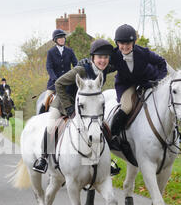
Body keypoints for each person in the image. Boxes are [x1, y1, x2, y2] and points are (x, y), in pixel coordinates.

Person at [32, 39, 114, 173]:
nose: (103, 61)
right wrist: (69, 107)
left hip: (84, 107)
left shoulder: (104, 69)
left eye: (105, 58)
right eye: (99, 57)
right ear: (92, 58)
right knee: (52, 126)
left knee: (102, 127)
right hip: (63, 103)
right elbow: (58, 84)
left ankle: (106, 161)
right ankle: (43, 158)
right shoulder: (81, 70)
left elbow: (120, 56)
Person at [109, 24, 167, 147]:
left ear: (134, 43)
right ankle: (114, 136)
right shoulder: (114, 55)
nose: (125, 47)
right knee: (126, 107)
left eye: (128, 43)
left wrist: (160, 80)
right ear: (117, 43)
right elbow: (101, 64)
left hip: (147, 81)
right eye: (121, 44)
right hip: (126, 84)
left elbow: (162, 63)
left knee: (164, 103)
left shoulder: (144, 53)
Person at [45, 29, 78, 99]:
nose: (62, 39)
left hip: (69, 81)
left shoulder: (69, 51)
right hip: (54, 82)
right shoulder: (51, 52)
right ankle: (42, 110)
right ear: (55, 40)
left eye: (63, 38)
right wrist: (54, 79)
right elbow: (49, 67)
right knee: (45, 101)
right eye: (60, 38)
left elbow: (76, 64)